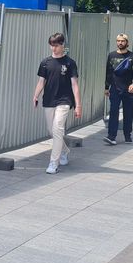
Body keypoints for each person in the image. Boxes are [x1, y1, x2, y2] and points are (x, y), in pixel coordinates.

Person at [33, 32, 82, 174]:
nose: (53, 48)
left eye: (56, 46)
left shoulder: (70, 63)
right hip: (49, 100)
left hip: (65, 100)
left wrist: (78, 105)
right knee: (52, 131)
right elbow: (41, 81)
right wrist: (35, 95)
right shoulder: (45, 62)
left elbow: (75, 85)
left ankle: (53, 163)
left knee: (58, 129)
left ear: (62, 45)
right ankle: (65, 150)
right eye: (51, 46)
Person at [103, 33, 133, 145]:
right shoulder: (112, 55)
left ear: (127, 43)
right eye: (118, 41)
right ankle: (111, 136)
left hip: (128, 89)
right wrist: (106, 87)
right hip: (115, 88)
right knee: (113, 111)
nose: (120, 43)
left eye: (123, 41)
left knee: (128, 113)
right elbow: (108, 72)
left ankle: (127, 135)